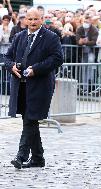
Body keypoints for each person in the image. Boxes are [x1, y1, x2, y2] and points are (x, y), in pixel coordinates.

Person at [4, 8, 63, 169]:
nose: (32, 22)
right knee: (29, 121)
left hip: (40, 86)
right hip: (20, 87)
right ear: (25, 20)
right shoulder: (19, 36)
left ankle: (21, 156)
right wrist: (11, 67)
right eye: (29, 19)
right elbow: (7, 57)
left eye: (35, 19)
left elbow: (57, 58)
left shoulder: (51, 37)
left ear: (41, 19)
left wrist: (35, 69)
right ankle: (38, 158)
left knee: (30, 120)